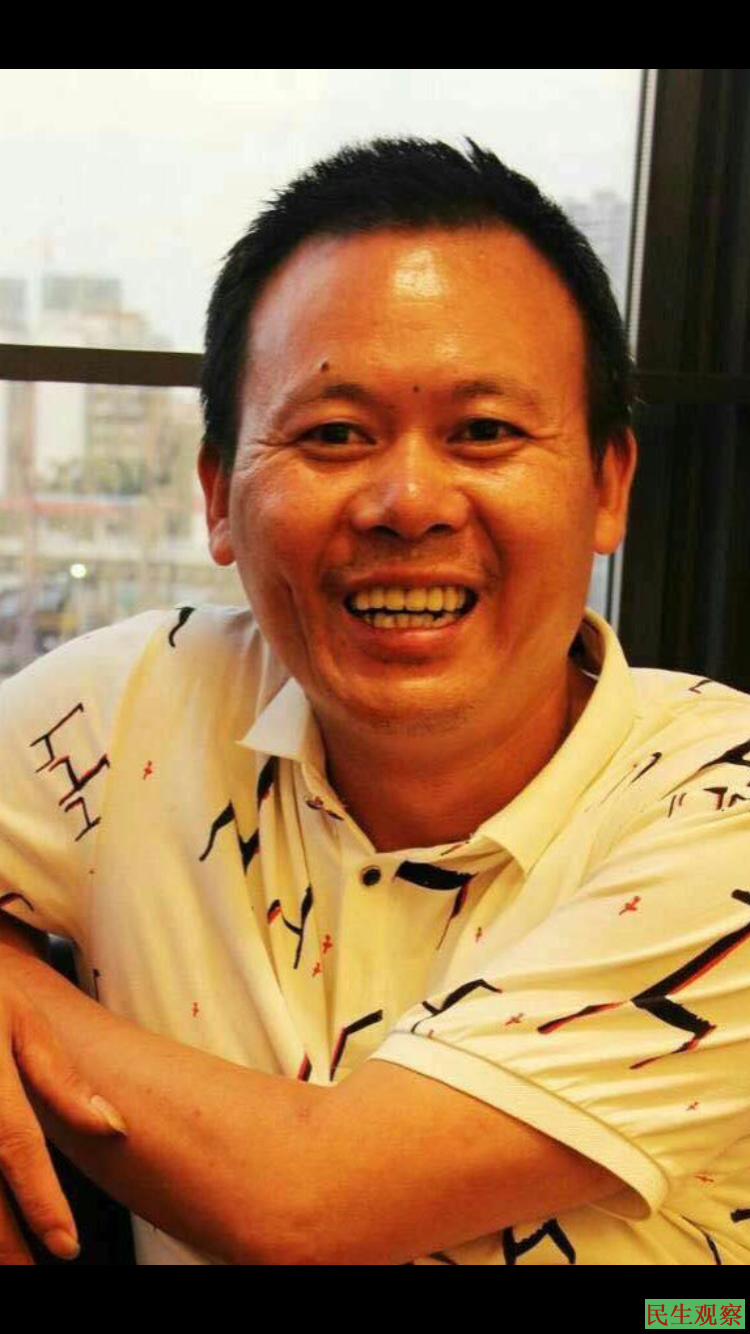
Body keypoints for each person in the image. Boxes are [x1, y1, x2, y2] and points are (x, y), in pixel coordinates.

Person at [0, 137, 749, 1266]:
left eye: (485, 432)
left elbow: (314, 1202)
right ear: (218, 494)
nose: (408, 501)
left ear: (608, 485)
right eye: (334, 435)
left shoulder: (722, 803)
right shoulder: (128, 712)